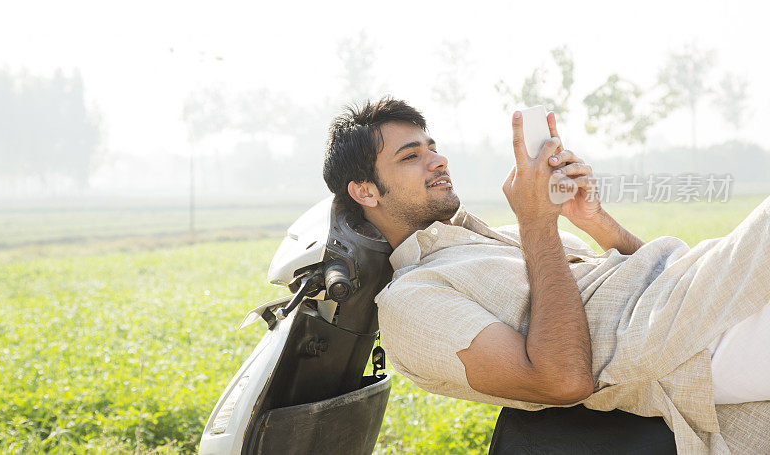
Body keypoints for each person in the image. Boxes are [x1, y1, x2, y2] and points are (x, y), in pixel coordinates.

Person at [322, 96, 770, 454]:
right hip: (690, 339)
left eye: (432, 147)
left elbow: (647, 275)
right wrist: (538, 223)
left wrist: (594, 221)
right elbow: (561, 381)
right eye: (411, 156)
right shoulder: (411, 302)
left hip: (700, 296)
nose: (438, 160)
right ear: (365, 191)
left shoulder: (490, 240)